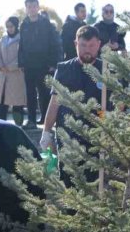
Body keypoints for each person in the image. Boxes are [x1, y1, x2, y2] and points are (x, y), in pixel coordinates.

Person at [39, 25, 107, 157]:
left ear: (99, 44)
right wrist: (46, 132)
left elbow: (114, 106)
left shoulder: (106, 71)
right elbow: (54, 104)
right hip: (67, 138)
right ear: (76, 44)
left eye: (91, 45)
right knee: (67, 176)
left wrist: (106, 128)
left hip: (97, 140)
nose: (87, 50)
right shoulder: (64, 70)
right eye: (83, 45)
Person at [18, 0, 61, 128]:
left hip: (44, 65)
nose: (31, 9)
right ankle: (31, 120)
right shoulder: (24, 25)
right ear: (26, 9)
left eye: (34, 6)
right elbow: (21, 45)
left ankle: (46, 119)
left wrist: (53, 64)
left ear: (38, 7)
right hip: (29, 65)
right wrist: (21, 63)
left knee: (44, 93)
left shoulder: (46, 24)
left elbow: (55, 44)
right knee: (30, 93)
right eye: (29, 7)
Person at [0, 17, 26, 126]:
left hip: (16, 76)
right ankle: (0, 125)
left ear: (16, 26)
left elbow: (23, 55)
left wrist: (11, 67)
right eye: (7, 27)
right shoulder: (3, 38)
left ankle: (19, 126)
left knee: (17, 104)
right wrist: (0, 65)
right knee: (2, 103)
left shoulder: (22, 38)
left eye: (11, 26)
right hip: (3, 75)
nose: (9, 29)